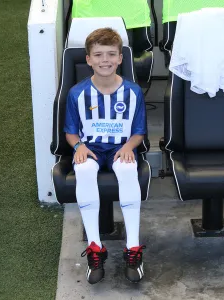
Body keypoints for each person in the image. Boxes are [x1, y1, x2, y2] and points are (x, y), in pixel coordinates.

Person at [64, 27, 146, 284]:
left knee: (126, 169)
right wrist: (78, 147)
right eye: (98, 55)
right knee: (85, 170)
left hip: (121, 147)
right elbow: (70, 132)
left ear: (121, 58)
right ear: (88, 59)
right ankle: (95, 249)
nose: (105, 60)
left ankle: (133, 248)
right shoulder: (77, 93)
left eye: (111, 54)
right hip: (92, 148)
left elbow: (139, 132)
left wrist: (129, 147)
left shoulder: (133, 92)